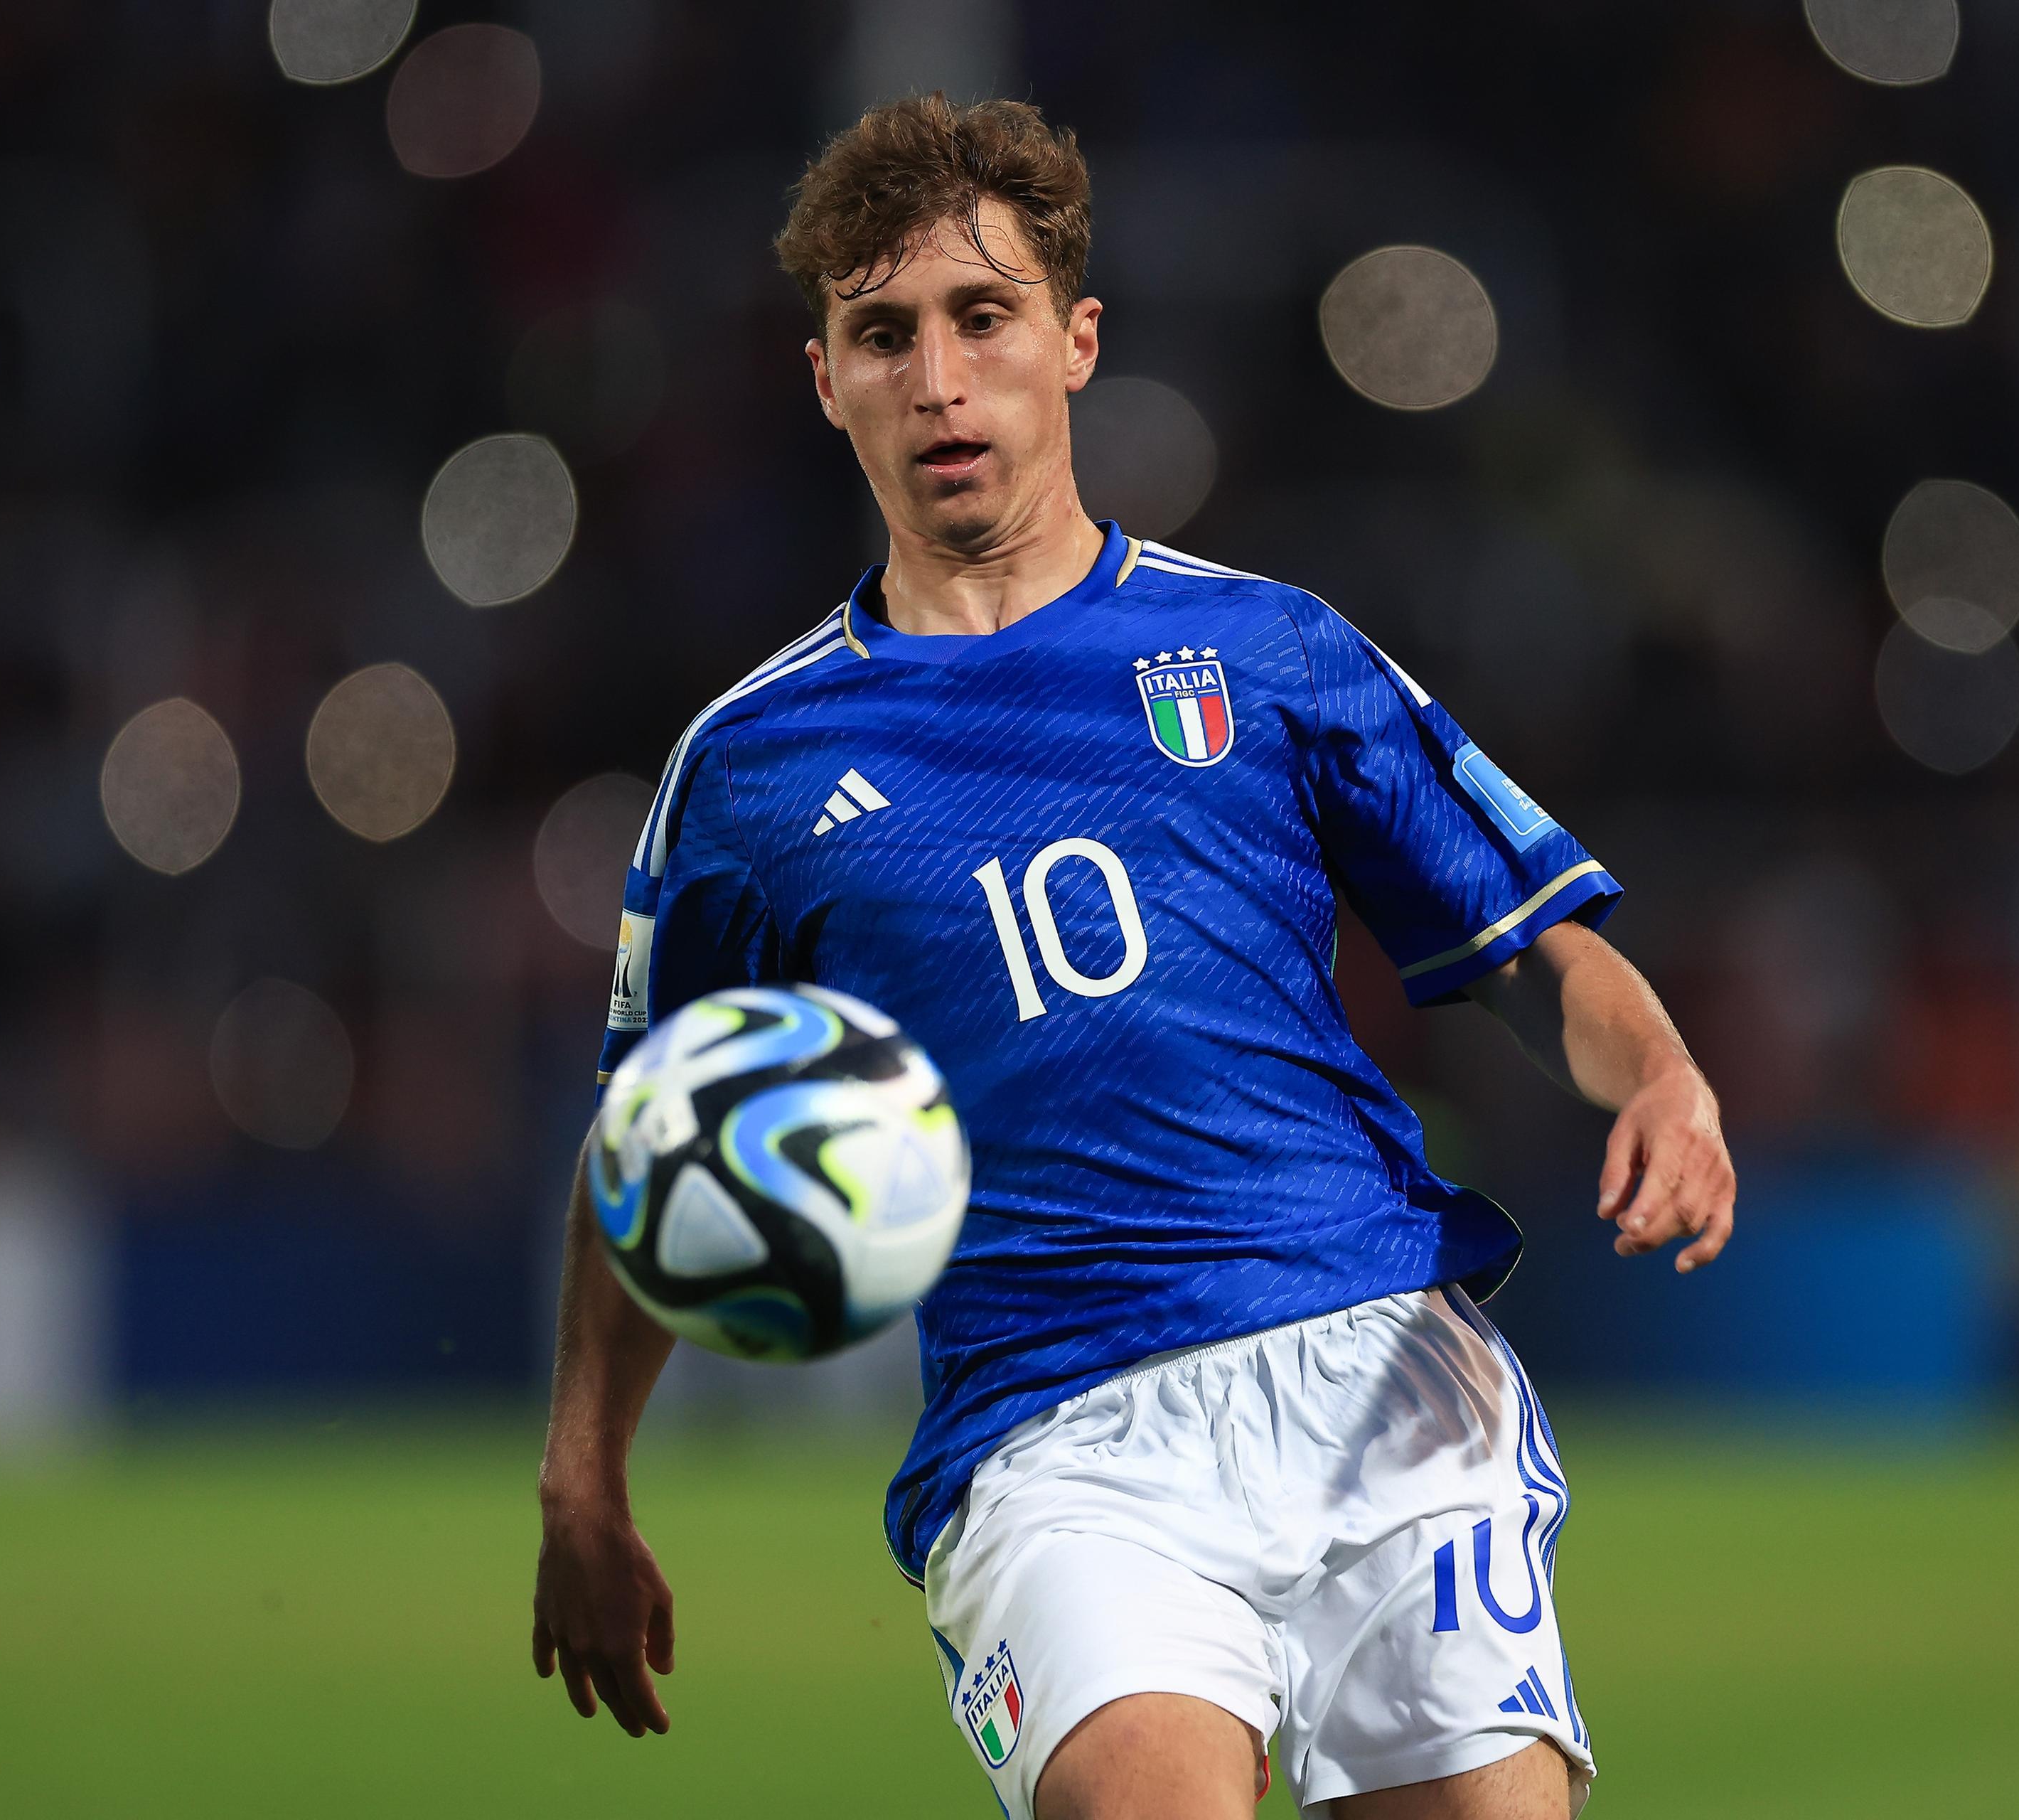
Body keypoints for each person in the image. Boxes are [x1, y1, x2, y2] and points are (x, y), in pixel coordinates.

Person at [530, 92, 1736, 1820]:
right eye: (885, 334)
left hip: (1375, 1362)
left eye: (983, 317)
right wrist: (583, 1474)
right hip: (1055, 1434)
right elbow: (649, 1135)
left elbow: (1531, 946)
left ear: (1076, 341)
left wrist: (1668, 1079)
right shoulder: (749, 767)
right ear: (827, 379)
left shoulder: (1270, 648)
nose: (940, 379)